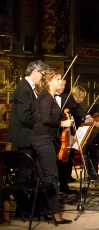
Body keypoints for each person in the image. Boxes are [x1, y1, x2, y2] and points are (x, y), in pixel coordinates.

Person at [29, 68, 73, 224]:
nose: (60, 81)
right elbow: (46, 119)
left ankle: (45, 210)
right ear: (48, 81)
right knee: (52, 175)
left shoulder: (48, 97)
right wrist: (63, 122)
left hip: (43, 139)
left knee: (45, 177)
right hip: (42, 139)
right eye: (57, 79)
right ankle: (55, 213)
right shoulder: (46, 98)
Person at [7, 60, 49, 215]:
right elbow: (25, 117)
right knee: (24, 173)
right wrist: (41, 126)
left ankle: (29, 207)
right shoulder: (24, 89)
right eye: (42, 74)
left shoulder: (29, 89)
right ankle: (23, 208)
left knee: (32, 173)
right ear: (34, 71)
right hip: (23, 138)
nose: (42, 78)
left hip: (28, 137)